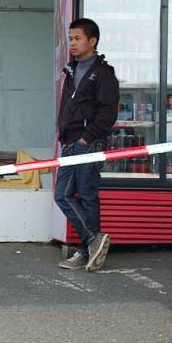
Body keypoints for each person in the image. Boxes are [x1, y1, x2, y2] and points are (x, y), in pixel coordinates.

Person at [55, 18, 119, 271]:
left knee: (88, 195)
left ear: (92, 41)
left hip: (87, 142)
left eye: (78, 38)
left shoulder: (103, 73)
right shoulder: (71, 70)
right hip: (70, 142)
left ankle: (85, 249)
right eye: (70, 38)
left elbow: (108, 112)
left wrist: (87, 137)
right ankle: (92, 241)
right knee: (63, 195)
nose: (72, 43)